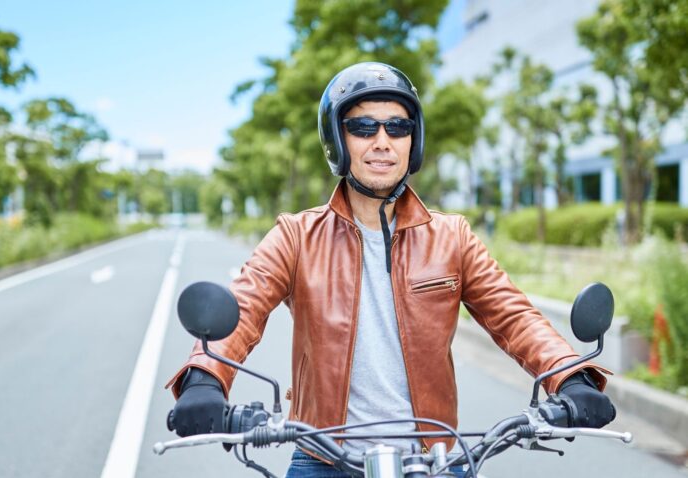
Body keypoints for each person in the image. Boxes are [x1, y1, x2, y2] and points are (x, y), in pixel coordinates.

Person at [166, 62, 616, 477]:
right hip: (323, 456)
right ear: (338, 140)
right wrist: (205, 378)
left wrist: (570, 376)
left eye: (398, 127)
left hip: (436, 457)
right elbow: (244, 304)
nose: (382, 140)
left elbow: (514, 315)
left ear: (412, 141)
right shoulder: (296, 235)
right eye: (362, 126)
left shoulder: (452, 236)